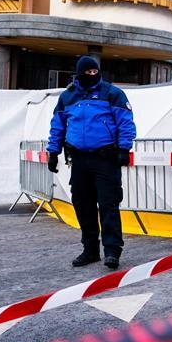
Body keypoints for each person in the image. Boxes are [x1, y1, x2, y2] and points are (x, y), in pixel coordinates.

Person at [46, 56, 136, 270]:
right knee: (83, 205)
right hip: (79, 160)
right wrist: (53, 151)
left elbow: (125, 122)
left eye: (95, 71)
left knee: (108, 205)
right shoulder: (68, 97)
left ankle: (112, 251)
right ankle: (90, 250)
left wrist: (124, 148)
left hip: (106, 158)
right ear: (79, 73)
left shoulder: (112, 93)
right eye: (88, 72)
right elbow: (57, 125)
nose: (92, 75)